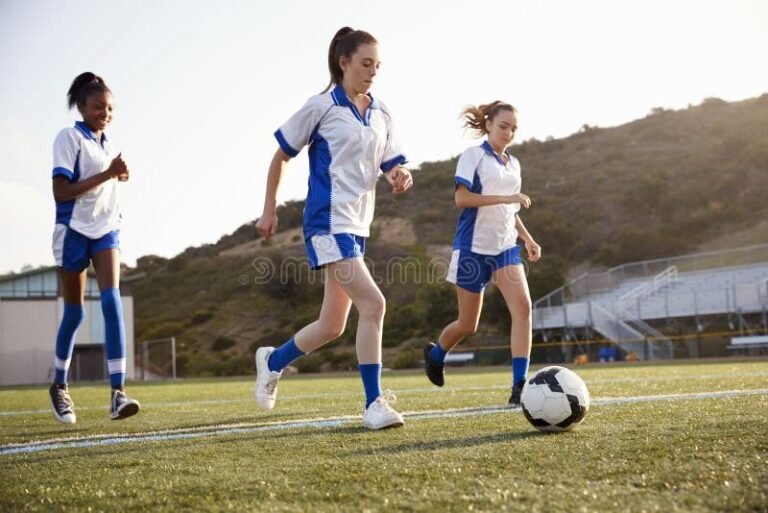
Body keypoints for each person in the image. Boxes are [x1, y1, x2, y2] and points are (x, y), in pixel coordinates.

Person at [253, 27, 413, 430]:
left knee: (332, 325)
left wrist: (399, 175)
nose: (373, 72)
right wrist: (269, 209)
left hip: (359, 226)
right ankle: (374, 403)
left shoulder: (383, 113)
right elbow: (280, 156)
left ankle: (272, 361)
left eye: (377, 65)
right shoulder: (321, 107)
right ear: (344, 63)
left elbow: (391, 163)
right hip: (326, 223)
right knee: (374, 305)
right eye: (365, 63)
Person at [423, 101, 541, 409]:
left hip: (505, 249)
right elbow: (462, 199)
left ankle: (519, 385)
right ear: (488, 124)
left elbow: (510, 211)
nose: (508, 133)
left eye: (514, 128)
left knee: (523, 309)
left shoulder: (514, 164)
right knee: (467, 325)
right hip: (472, 250)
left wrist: (527, 239)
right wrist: (507, 197)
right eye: (503, 126)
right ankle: (435, 355)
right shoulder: (472, 157)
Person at [49, 72, 140, 424]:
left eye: (111, 108)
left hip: (105, 230)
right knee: (75, 314)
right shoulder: (68, 137)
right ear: (82, 106)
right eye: (99, 106)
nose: (106, 112)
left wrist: (117, 175)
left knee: (111, 301)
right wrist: (108, 173)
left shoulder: (105, 144)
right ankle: (59, 385)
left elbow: (104, 182)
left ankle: (118, 393)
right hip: (73, 231)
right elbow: (61, 192)